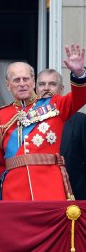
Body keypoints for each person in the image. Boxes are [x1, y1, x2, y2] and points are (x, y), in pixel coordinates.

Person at [0, 44, 86, 201]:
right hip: (14, 191)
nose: (22, 83)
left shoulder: (54, 104)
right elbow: (0, 162)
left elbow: (79, 97)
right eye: (16, 80)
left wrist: (79, 73)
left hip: (50, 188)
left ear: (33, 81)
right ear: (8, 85)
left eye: (26, 79)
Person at [36, 68, 86, 200]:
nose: (46, 88)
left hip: (74, 198)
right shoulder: (27, 122)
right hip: (38, 196)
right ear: (36, 89)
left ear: (62, 89)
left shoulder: (80, 121)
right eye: (42, 84)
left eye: (52, 84)